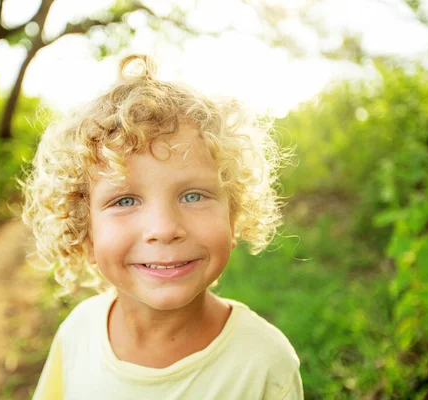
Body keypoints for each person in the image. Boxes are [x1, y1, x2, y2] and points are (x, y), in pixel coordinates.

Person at [21, 54, 303, 399]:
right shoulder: (77, 332)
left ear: (234, 216)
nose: (165, 228)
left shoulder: (264, 363)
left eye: (193, 196)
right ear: (86, 232)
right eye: (125, 201)